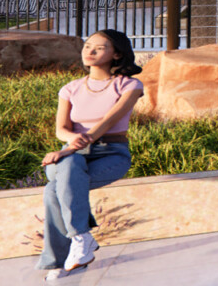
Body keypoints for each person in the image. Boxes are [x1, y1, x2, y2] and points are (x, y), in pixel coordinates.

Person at [38, 30, 144, 279]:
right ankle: (81, 239)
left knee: (53, 191)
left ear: (116, 53)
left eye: (99, 47)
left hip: (111, 153)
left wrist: (70, 148)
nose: (90, 51)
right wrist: (69, 145)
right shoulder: (70, 88)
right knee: (71, 164)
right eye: (87, 46)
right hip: (70, 155)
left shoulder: (129, 86)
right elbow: (61, 129)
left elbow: (107, 122)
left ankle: (59, 260)